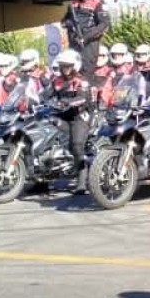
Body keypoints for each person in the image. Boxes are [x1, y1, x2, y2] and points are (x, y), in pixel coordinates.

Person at [47, 50, 93, 194]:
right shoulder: (56, 81)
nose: (65, 69)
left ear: (75, 66)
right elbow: (45, 94)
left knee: (77, 145)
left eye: (68, 66)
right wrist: (29, 101)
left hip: (79, 116)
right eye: (63, 66)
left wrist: (67, 102)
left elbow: (83, 99)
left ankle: (82, 181)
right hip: (63, 115)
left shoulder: (81, 81)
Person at [63, 0, 111, 78]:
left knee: (86, 75)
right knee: (72, 74)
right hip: (73, 44)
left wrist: (85, 37)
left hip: (89, 46)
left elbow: (104, 24)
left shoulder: (98, 2)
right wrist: (69, 24)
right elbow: (64, 21)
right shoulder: (73, 4)